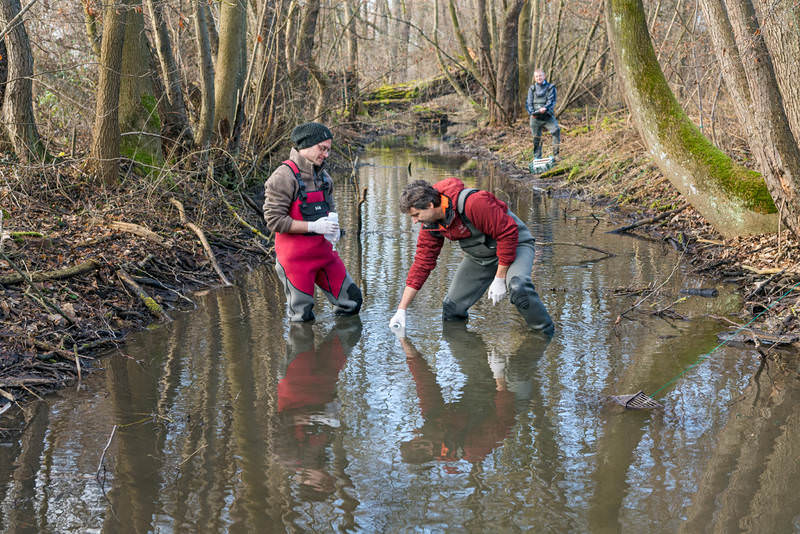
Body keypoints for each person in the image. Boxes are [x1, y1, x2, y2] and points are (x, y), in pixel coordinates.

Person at [388, 178, 554, 336]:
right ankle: (471, 357)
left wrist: (500, 277)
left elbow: (507, 234)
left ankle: (544, 336)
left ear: (430, 205)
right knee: (452, 308)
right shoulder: (431, 225)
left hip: (516, 245)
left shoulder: (473, 203)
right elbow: (422, 264)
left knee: (519, 289)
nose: (415, 221)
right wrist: (402, 310)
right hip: (481, 257)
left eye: (416, 215)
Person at [264, 122, 362, 322]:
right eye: (322, 148)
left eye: (328, 150)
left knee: (352, 302)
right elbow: (274, 221)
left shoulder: (324, 178)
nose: (326, 154)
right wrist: (313, 227)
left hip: (324, 254)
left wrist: (333, 228)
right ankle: (304, 350)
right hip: (295, 261)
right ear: (306, 146)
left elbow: (330, 209)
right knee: (302, 317)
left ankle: (334, 352)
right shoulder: (282, 177)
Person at [526, 69, 560, 160]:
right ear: (534, 78)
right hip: (535, 117)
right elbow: (529, 103)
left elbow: (551, 101)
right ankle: (537, 157)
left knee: (556, 130)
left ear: (544, 76)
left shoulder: (550, 87)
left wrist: (545, 108)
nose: (539, 78)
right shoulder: (532, 89)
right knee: (536, 138)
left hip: (547, 116)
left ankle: (556, 155)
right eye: (537, 76)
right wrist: (532, 112)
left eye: (540, 76)